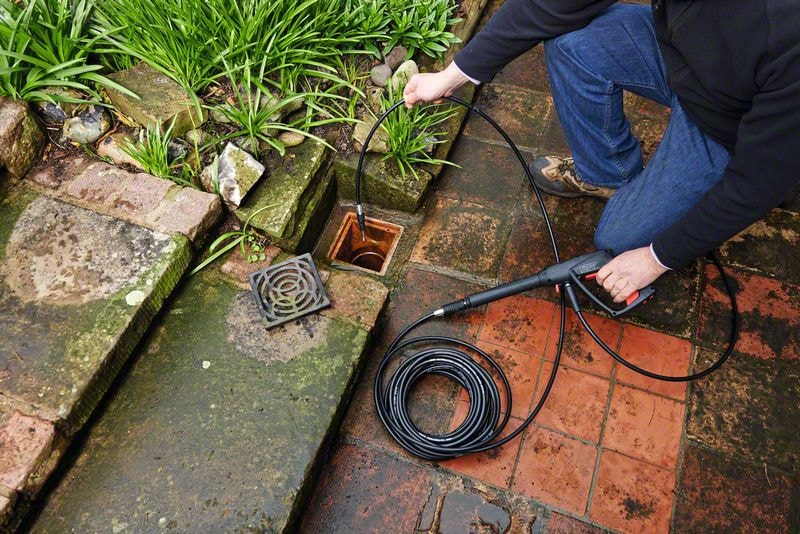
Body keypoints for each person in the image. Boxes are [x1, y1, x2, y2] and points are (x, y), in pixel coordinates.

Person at [403, 0, 800, 304]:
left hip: (730, 125)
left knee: (617, 239)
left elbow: (760, 181)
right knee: (573, 44)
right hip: (681, 57)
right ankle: (607, 176)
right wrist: (453, 75)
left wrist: (656, 258)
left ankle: (646, 211)